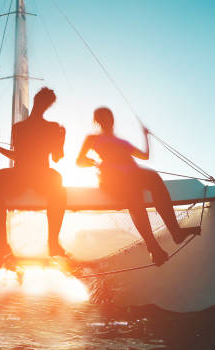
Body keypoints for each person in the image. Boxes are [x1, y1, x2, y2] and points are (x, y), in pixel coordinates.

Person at [76, 107, 200, 266]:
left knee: (154, 178)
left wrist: (145, 136)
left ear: (112, 119)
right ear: (98, 121)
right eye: (103, 118)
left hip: (133, 175)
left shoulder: (122, 142)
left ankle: (175, 231)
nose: (107, 121)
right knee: (133, 193)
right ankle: (153, 247)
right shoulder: (92, 138)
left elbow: (145, 156)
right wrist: (95, 162)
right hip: (112, 179)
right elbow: (79, 161)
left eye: (109, 117)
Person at [0, 87, 67, 273]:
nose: (42, 105)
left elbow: (56, 157)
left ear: (44, 104)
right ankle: (0, 247)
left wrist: (61, 139)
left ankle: (53, 241)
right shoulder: (20, 127)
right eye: (42, 101)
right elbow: (19, 154)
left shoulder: (50, 128)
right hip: (25, 173)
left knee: (58, 181)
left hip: (34, 174)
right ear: (38, 101)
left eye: (44, 102)